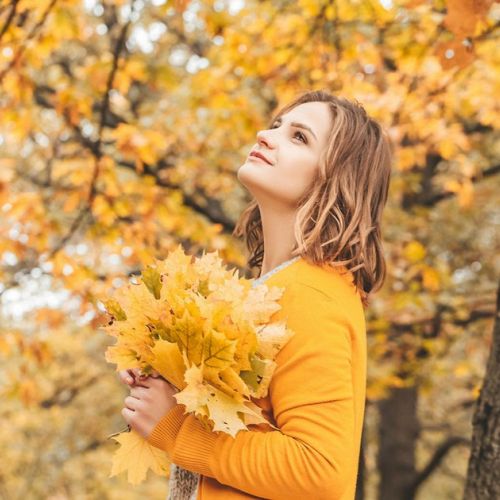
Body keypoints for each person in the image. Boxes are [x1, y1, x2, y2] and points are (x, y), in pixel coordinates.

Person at [118, 89, 393, 499]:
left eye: (299, 137)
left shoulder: (313, 293)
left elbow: (321, 470)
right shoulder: (278, 289)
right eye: (277, 125)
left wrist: (176, 426)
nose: (266, 135)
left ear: (336, 176)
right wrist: (173, 380)